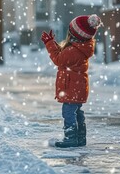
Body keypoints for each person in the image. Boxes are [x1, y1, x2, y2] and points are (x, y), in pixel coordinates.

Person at [41, 14, 102, 148]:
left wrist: (49, 44)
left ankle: (71, 138)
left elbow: (58, 59)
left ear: (74, 34)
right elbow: (63, 56)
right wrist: (53, 44)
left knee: (68, 112)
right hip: (77, 88)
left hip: (71, 87)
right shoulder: (80, 48)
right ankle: (80, 137)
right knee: (77, 111)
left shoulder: (73, 51)